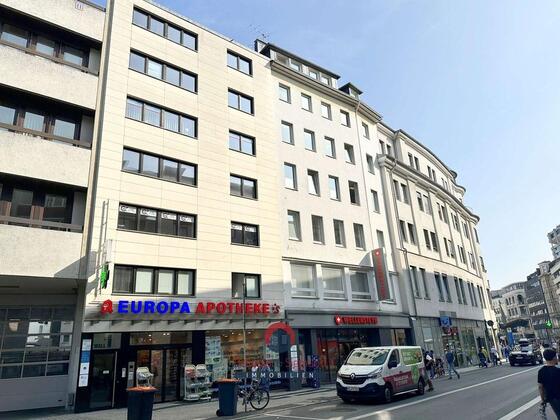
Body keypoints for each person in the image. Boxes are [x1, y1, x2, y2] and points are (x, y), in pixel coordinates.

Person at [538, 348, 560, 419]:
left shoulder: (541, 371)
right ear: (554, 358)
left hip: (551, 398)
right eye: (556, 356)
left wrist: (543, 399)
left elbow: (540, 387)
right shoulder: (558, 371)